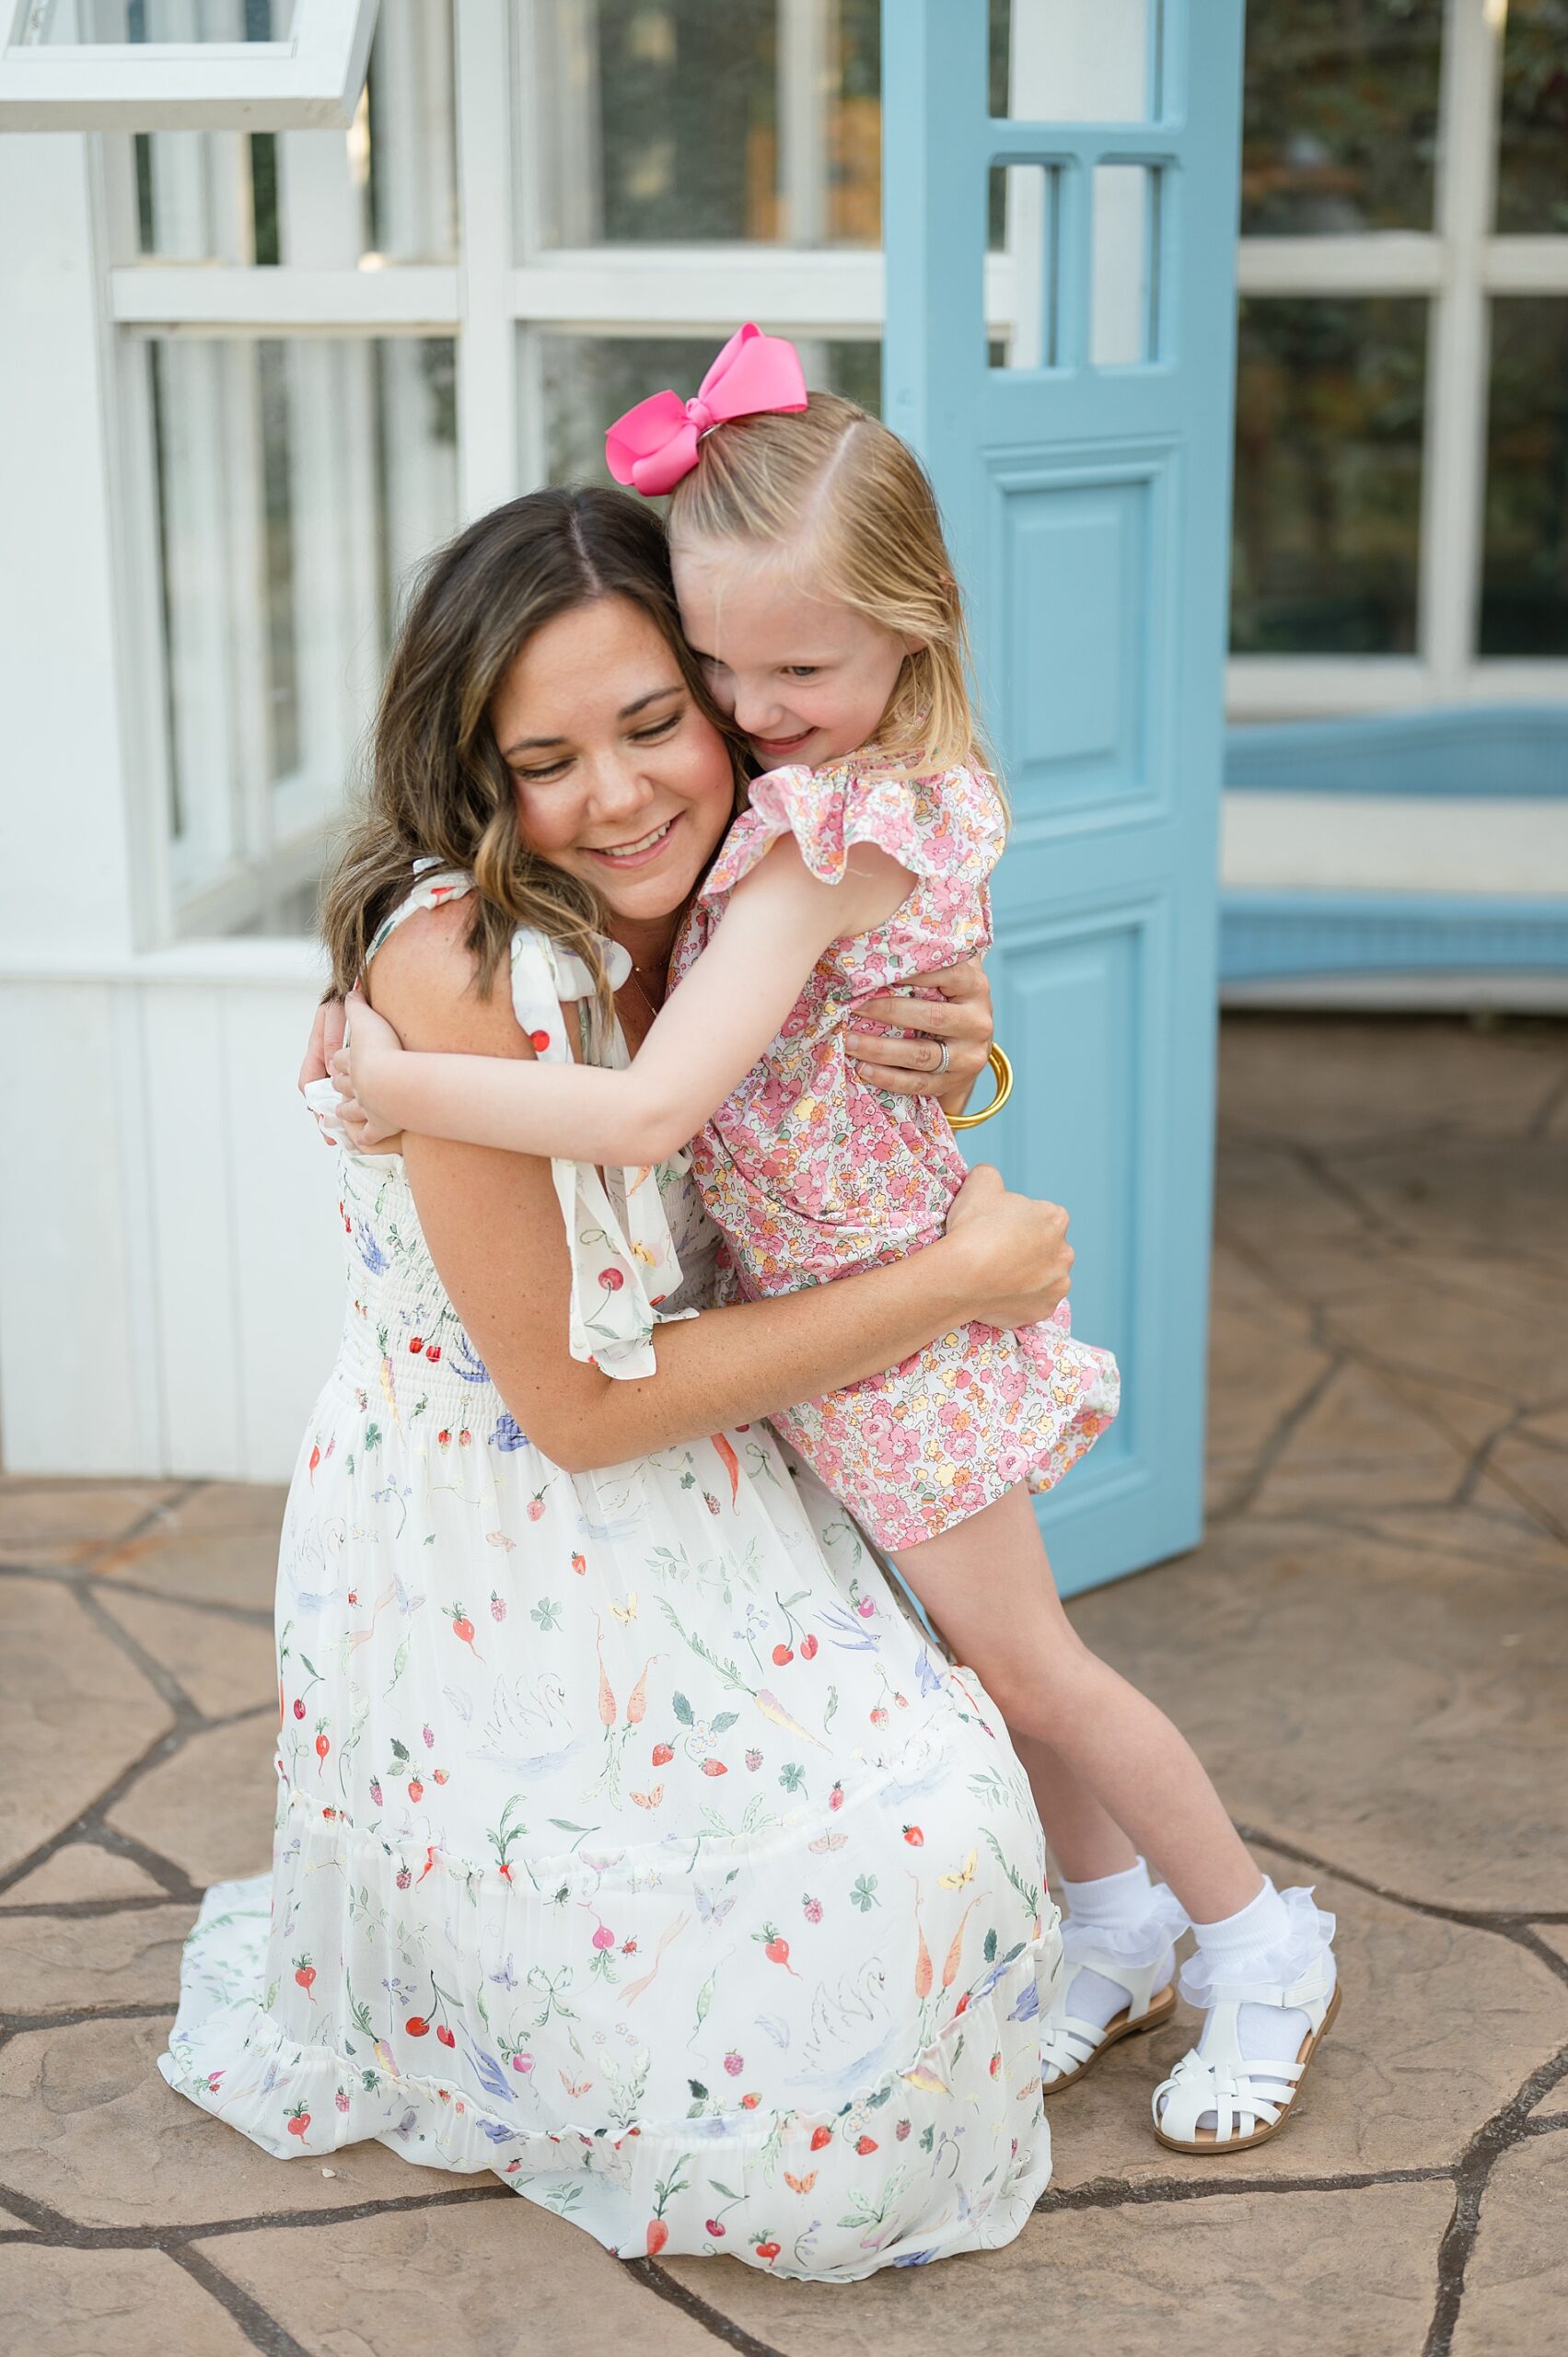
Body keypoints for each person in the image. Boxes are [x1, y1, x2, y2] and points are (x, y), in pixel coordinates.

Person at [332, 329, 1340, 2155]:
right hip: (811, 1325)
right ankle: (1115, 1923)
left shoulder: (820, 824)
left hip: (884, 1321)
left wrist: (402, 1079)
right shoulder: (723, 845)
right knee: (989, 1664)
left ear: (906, 627)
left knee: (1035, 1665)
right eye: (720, 667)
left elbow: (656, 1113)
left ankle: (1260, 1939)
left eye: (730, 688)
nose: (742, 711)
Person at [157, 482, 1081, 2282]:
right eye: (545, 757)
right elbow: (578, 1406)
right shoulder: (471, 958)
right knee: (879, 1904)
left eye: (661, 720)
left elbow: (805, 1139)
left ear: (731, 693)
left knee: (961, 1825)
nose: (623, 791)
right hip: (511, 1510)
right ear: (471, 771)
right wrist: (953, 1282)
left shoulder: (745, 889)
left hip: (718, 1446)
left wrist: (960, 1048)